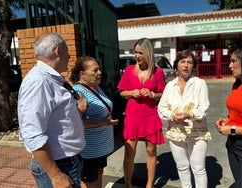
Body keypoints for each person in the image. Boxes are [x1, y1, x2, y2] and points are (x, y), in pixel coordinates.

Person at [18, 33, 86, 188]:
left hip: (67, 162)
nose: (69, 56)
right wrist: (56, 175)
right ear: (58, 51)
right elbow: (32, 134)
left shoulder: (51, 79)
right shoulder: (39, 82)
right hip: (59, 166)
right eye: (67, 51)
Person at [158, 49, 211, 188]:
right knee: (182, 167)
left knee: (198, 169)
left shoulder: (200, 83)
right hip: (176, 133)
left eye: (190, 62)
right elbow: (161, 108)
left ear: (194, 66)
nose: (186, 65)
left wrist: (189, 114)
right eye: (182, 62)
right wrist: (171, 116)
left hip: (197, 132)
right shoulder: (170, 86)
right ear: (177, 65)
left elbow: (204, 107)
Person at [117, 38, 166, 188]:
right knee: (129, 152)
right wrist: (132, 92)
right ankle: (128, 183)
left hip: (150, 115)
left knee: (151, 151)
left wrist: (152, 94)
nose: (137, 56)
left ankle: (149, 185)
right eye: (135, 52)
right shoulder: (129, 70)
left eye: (141, 53)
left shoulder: (157, 72)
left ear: (148, 53)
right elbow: (121, 92)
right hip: (133, 116)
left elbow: (163, 94)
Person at [69, 56, 119, 188]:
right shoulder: (78, 92)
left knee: (99, 174)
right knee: (89, 181)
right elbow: (75, 123)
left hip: (101, 147)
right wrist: (103, 122)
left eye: (99, 69)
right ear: (82, 74)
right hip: (89, 149)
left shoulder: (95, 86)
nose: (100, 73)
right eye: (95, 70)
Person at [215, 48, 242, 188]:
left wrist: (232, 129)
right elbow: (238, 112)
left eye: (234, 61)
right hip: (233, 145)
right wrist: (227, 119)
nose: (230, 65)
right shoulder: (237, 84)